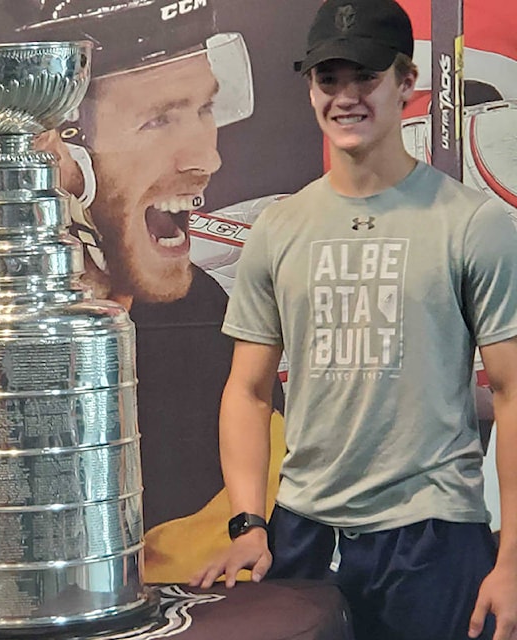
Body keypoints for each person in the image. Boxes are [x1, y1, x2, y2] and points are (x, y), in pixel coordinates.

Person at [193, 0, 517, 638]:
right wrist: (248, 523)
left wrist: (512, 562)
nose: (345, 97)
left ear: (406, 83)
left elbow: (511, 394)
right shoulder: (278, 229)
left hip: (433, 538)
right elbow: (248, 390)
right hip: (304, 536)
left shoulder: (472, 224)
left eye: (364, 77)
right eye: (328, 79)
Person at [0, 0, 288, 583]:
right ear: (47, 151)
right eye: (158, 119)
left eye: (204, 108)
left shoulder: (212, 326)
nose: (207, 157)